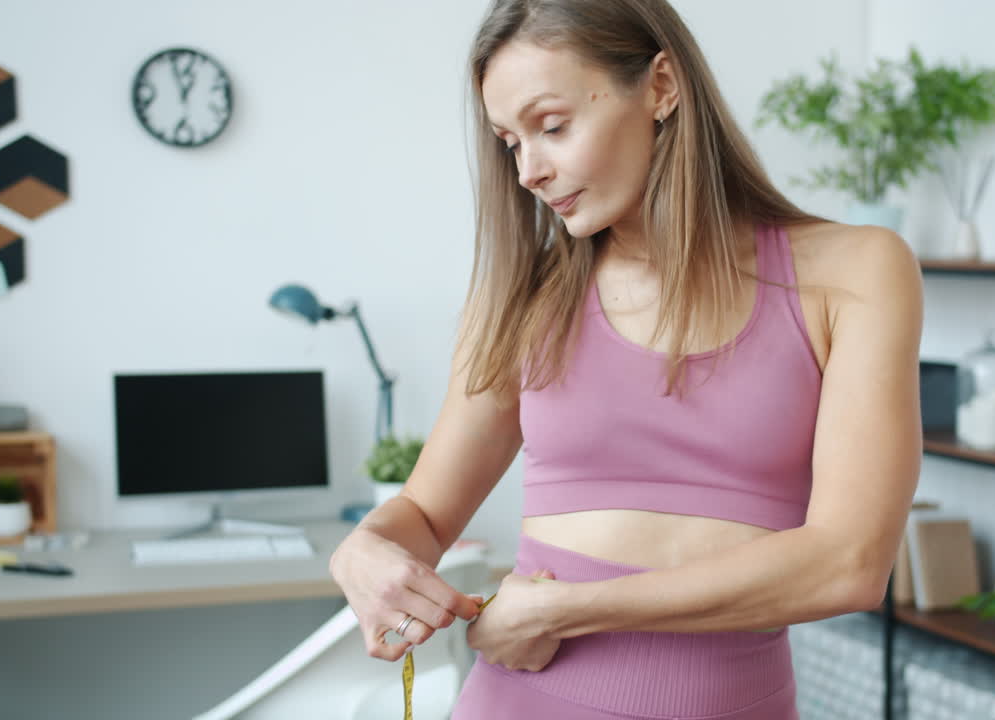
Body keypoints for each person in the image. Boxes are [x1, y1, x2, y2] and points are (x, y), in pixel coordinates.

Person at [329, 0, 923, 717]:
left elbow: (850, 565)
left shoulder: (855, 271)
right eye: (509, 142)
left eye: (550, 127)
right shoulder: (523, 298)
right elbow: (423, 512)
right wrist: (360, 551)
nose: (528, 172)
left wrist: (565, 611)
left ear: (662, 87)